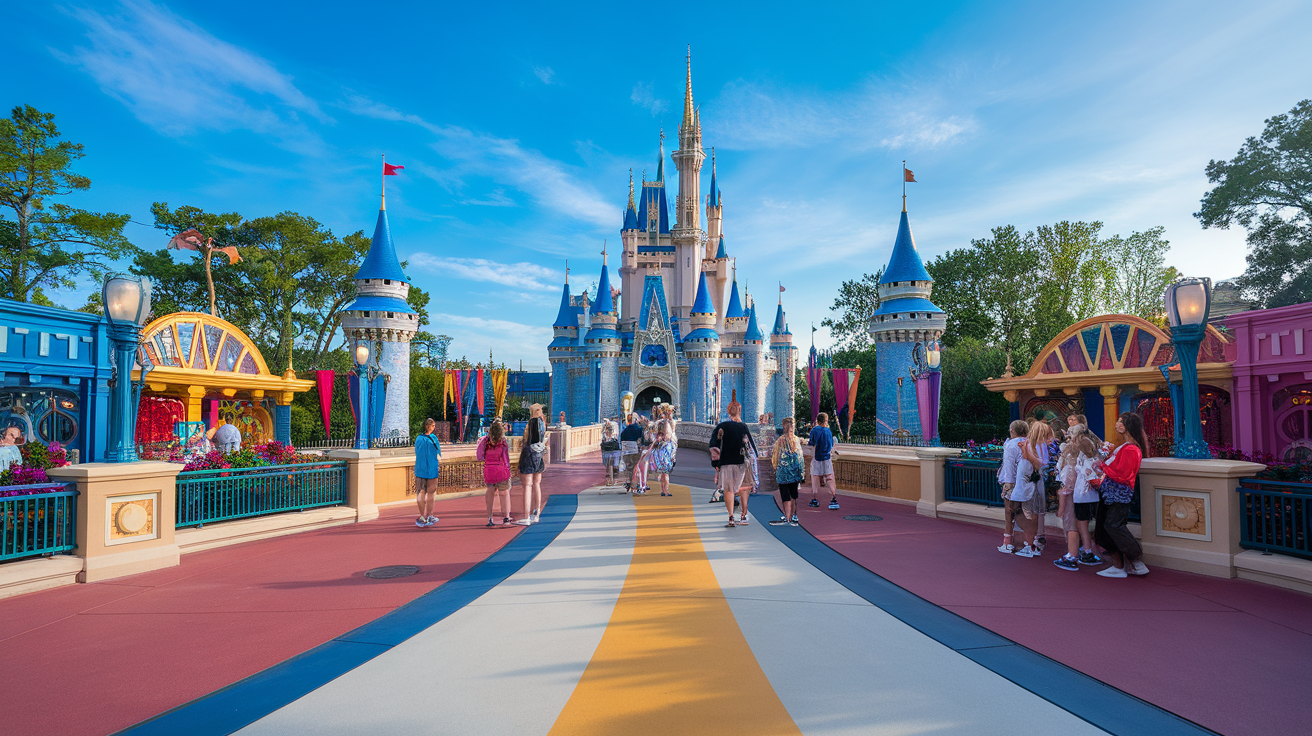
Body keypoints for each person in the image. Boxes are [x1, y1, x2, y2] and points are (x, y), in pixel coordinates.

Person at [1093, 413, 1150, 578]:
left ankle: (1134, 557)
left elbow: (1123, 474)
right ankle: (1120, 565)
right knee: (1107, 527)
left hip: (1118, 493)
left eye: (1121, 421)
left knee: (1113, 526)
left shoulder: (1131, 448)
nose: (1117, 424)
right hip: (1111, 492)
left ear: (1128, 425)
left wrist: (1103, 466)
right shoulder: (1127, 446)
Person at [1052, 425, 1100, 570]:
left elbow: (1066, 485)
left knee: (1070, 525)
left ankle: (1072, 556)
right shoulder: (1089, 453)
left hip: (1074, 496)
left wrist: (1061, 503)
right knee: (1081, 524)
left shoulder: (1072, 460)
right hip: (1085, 495)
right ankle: (1087, 552)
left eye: (1070, 433)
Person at [709, 399, 757, 527]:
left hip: (726, 462)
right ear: (739, 411)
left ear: (728, 411)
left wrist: (716, 465)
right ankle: (743, 515)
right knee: (743, 488)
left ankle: (731, 517)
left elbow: (714, 446)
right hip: (741, 462)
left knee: (728, 490)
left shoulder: (721, 427)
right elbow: (750, 447)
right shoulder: (743, 427)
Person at [996, 419, 1038, 555]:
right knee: (1026, 512)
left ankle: (1008, 543)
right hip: (1029, 481)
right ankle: (1029, 542)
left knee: (1011, 513)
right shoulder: (1031, 442)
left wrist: (1008, 483)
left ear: (1012, 431)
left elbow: (1009, 464)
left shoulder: (1012, 444)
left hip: (1013, 482)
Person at [1020, 420, 1056, 551]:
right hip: (1036, 479)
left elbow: (1039, 463)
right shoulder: (1038, 445)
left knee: (1032, 509)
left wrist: (1028, 455)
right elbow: (1044, 463)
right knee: (1038, 509)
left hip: (1032, 479)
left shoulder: (1032, 445)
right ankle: (1038, 535)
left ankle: (1034, 538)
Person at [478, 420, 514, 527]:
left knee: (490, 493)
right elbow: (506, 458)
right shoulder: (503, 443)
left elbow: (479, 456)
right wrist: (508, 470)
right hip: (501, 470)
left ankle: (490, 518)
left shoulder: (485, 442)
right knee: (504, 493)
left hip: (489, 471)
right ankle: (506, 517)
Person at [770, 417, 805, 526]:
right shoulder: (796, 440)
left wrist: (776, 468)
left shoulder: (780, 441)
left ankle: (787, 516)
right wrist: (801, 472)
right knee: (794, 495)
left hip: (783, 474)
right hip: (795, 473)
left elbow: (775, 457)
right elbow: (801, 458)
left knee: (785, 496)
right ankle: (794, 515)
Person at [517, 403, 547, 525]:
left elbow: (528, 439)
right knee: (537, 484)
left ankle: (526, 515)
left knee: (528, 486)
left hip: (529, 454)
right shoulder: (543, 423)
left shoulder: (533, 422)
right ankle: (536, 513)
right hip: (539, 454)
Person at [413, 418, 442, 528]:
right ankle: (429, 515)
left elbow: (417, 451)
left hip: (420, 469)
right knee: (431, 493)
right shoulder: (433, 438)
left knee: (420, 492)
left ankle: (421, 516)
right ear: (431, 426)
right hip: (432, 469)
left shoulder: (418, 439)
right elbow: (437, 452)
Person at [807, 412, 840, 510]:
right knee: (830, 477)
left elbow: (811, 444)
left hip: (817, 457)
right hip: (827, 458)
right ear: (826, 421)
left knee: (815, 477)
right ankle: (833, 498)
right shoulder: (828, 431)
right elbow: (830, 445)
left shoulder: (814, 430)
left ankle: (815, 498)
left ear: (817, 420)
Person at [648, 419, 678, 496]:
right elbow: (672, 449)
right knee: (666, 474)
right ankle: (666, 490)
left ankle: (663, 490)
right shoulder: (669, 440)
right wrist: (673, 457)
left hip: (659, 456)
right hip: (667, 457)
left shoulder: (658, 437)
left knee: (662, 474)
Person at [619, 413, 643, 492]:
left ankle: (628, 483)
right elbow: (641, 439)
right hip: (634, 450)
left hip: (626, 451)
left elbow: (621, 439)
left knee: (628, 468)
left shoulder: (625, 430)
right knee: (636, 468)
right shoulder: (638, 429)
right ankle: (636, 485)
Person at [601, 420, 623, 486]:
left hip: (611, 450)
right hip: (610, 450)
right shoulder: (606, 436)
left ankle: (611, 479)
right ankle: (611, 479)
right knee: (610, 465)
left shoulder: (613, 435)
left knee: (612, 465)